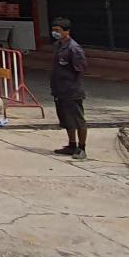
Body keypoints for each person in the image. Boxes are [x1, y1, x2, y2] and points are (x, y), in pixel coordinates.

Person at [49, 16, 88, 159]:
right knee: (66, 119)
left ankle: (82, 148)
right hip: (60, 89)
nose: (55, 33)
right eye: (53, 30)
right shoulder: (58, 46)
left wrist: (71, 85)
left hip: (72, 90)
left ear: (66, 31)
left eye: (58, 30)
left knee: (78, 120)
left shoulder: (73, 48)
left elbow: (81, 68)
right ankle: (71, 145)